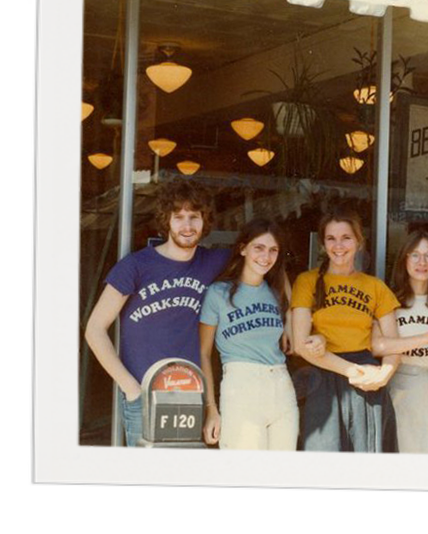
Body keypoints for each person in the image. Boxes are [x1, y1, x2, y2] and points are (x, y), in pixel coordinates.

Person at [85, 180, 229, 447]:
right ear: (167, 221)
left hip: (189, 394)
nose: (187, 226)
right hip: (144, 395)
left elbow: (262, 258)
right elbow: (94, 329)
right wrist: (131, 388)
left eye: (194, 217)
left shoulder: (211, 261)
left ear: (205, 220)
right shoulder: (136, 266)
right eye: (179, 217)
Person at [290, 206, 401, 452]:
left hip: (366, 383)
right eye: (331, 238)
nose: (338, 246)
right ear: (323, 243)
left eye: (346, 238)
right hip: (324, 376)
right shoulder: (306, 282)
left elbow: (393, 344)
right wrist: (352, 370)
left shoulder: (375, 286)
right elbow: (300, 345)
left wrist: (385, 374)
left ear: (359, 241)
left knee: (365, 462)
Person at [199, 218, 298, 450]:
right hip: (241, 386)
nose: (266, 257)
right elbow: (204, 353)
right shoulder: (218, 293)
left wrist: (289, 323)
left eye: (273, 250)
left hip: (281, 387)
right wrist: (211, 408)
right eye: (259, 248)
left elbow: (292, 303)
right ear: (243, 248)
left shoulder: (277, 293)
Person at [370, 230, 428, 454]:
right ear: (404, 259)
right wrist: (426, 338)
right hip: (398, 386)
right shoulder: (389, 300)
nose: (422, 262)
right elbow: (377, 346)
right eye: (415, 255)